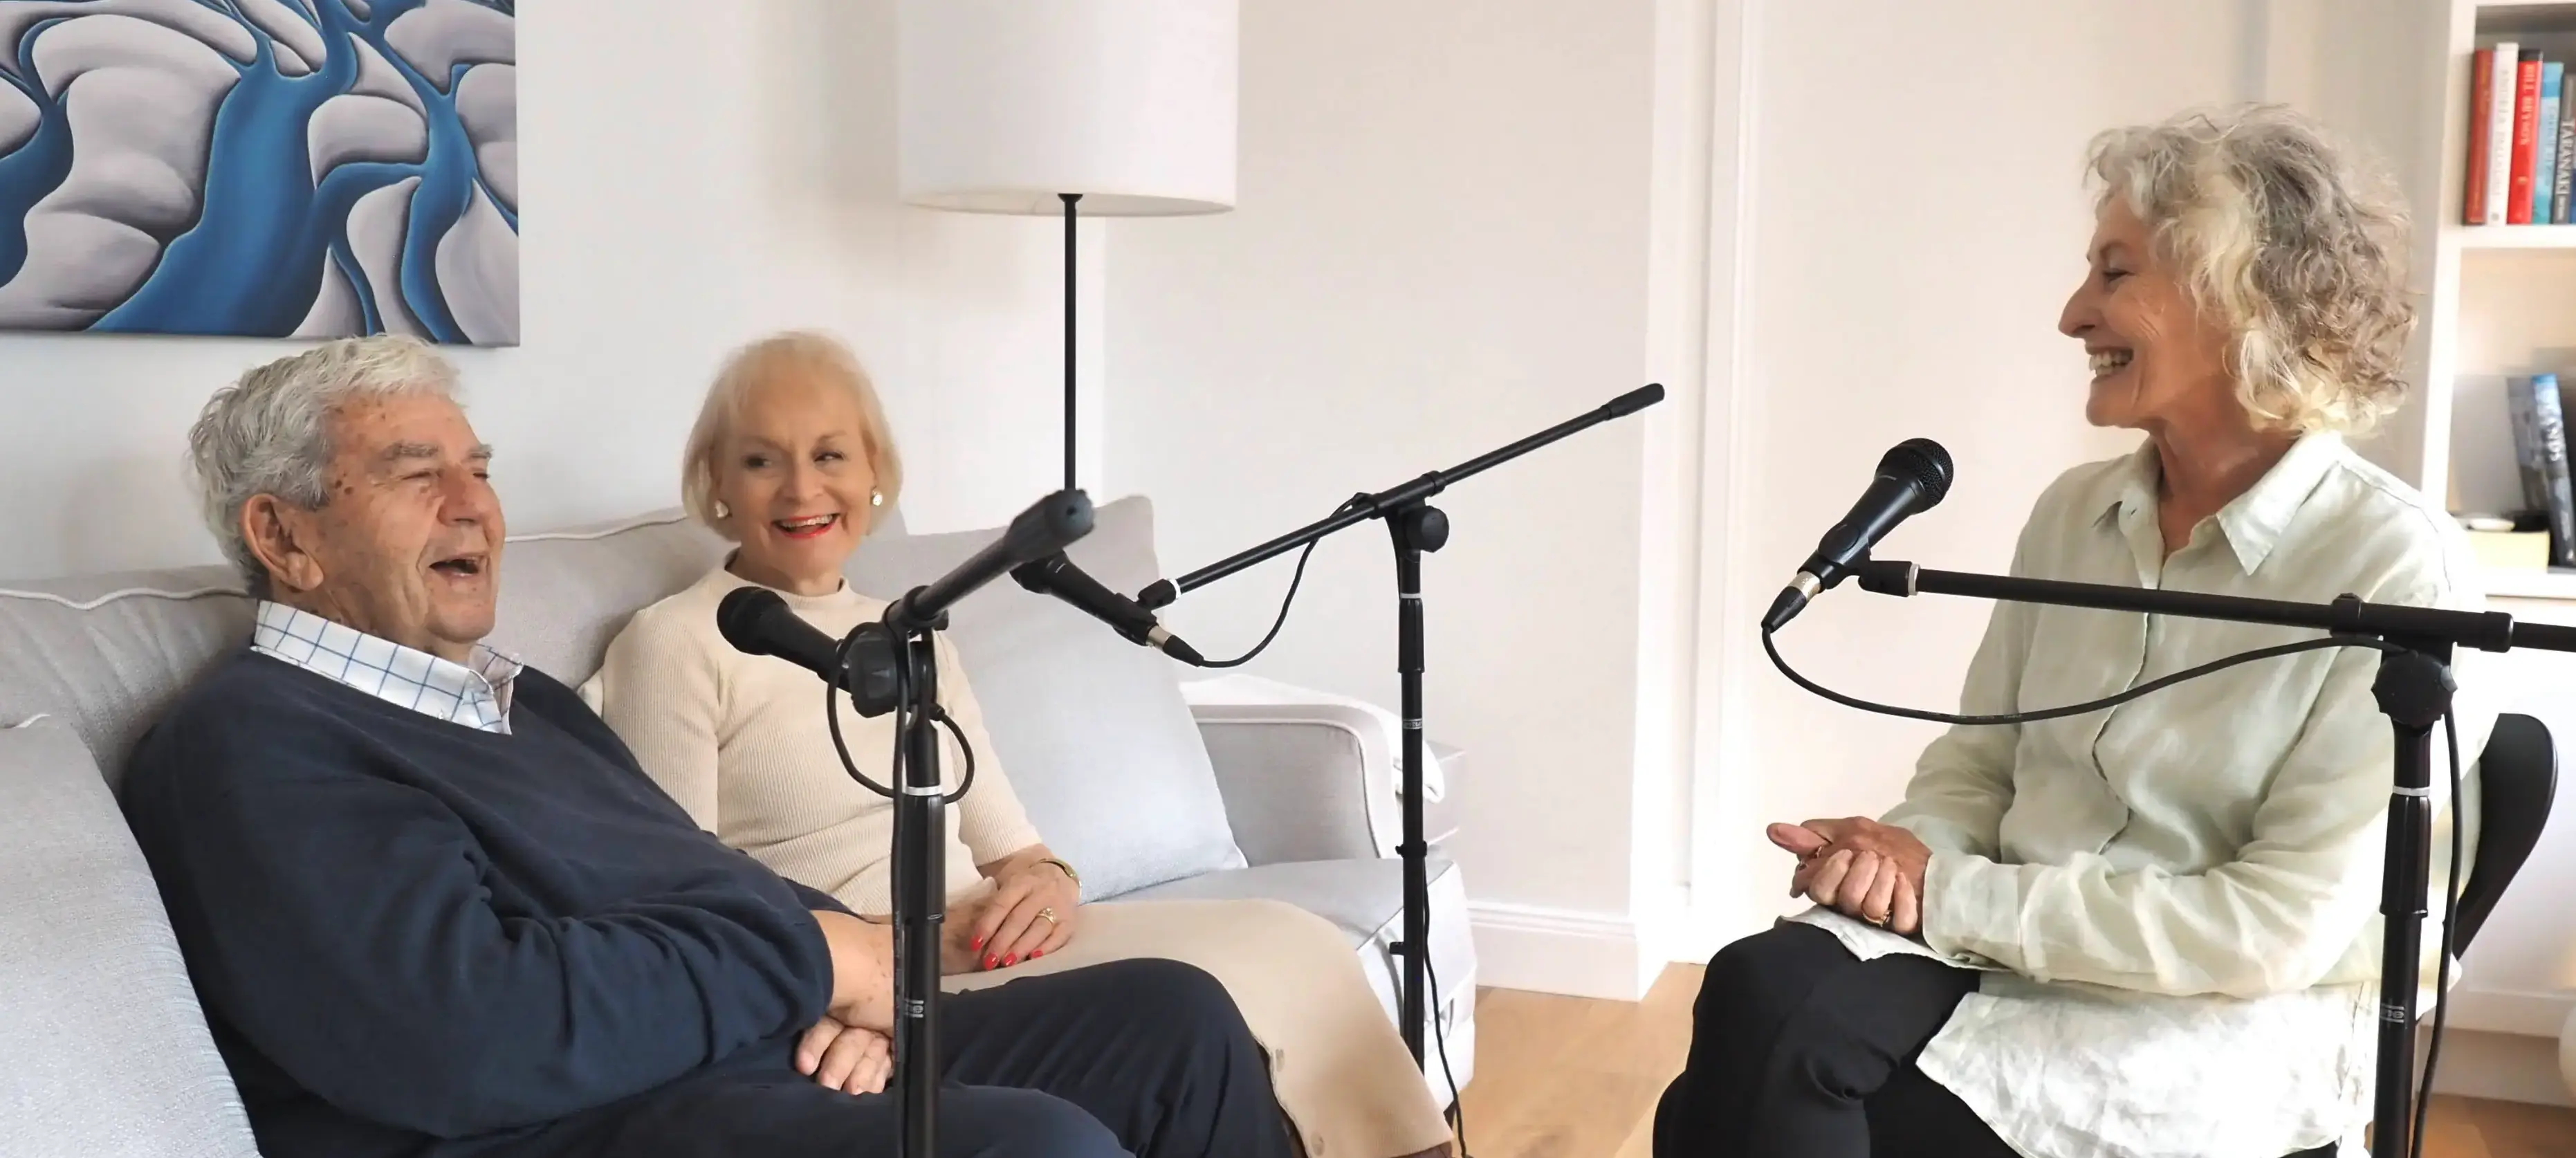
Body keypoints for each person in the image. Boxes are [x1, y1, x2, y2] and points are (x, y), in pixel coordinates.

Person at [120, 336, 1298, 1158]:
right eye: (415, 473)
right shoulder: (256, 744)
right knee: (1032, 1144)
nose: (473, 504)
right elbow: (464, 1034)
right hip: (581, 1122)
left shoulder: (519, 701)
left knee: (1172, 1019)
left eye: (476, 470)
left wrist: (848, 984)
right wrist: (809, 964)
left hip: (737, 1043)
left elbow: (705, 875)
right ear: (284, 536)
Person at [1653, 104, 2494, 1158]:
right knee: (1758, 986)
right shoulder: (2073, 513)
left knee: (1756, 1100)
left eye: (2115, 273)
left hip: (2214, 1000)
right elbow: (1980, 766)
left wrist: (1947, 890)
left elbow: (2270, 930)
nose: (2071, 315)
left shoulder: (2397, 564)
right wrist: (1899, 860)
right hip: (1998, 936)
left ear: (2239, 296)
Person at [580, 331, 1455, 1158]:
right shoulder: (675, 643)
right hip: (857, 969)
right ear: (717, 484)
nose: (802, 489)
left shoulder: (914, 635)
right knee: (1193, 1004)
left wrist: (1047, 885)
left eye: (830, 455)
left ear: (875, 473)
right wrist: (843, 989)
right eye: (762, 461)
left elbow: (1015, 848)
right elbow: (684, 900)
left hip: (984, 943)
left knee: (1291, 945)